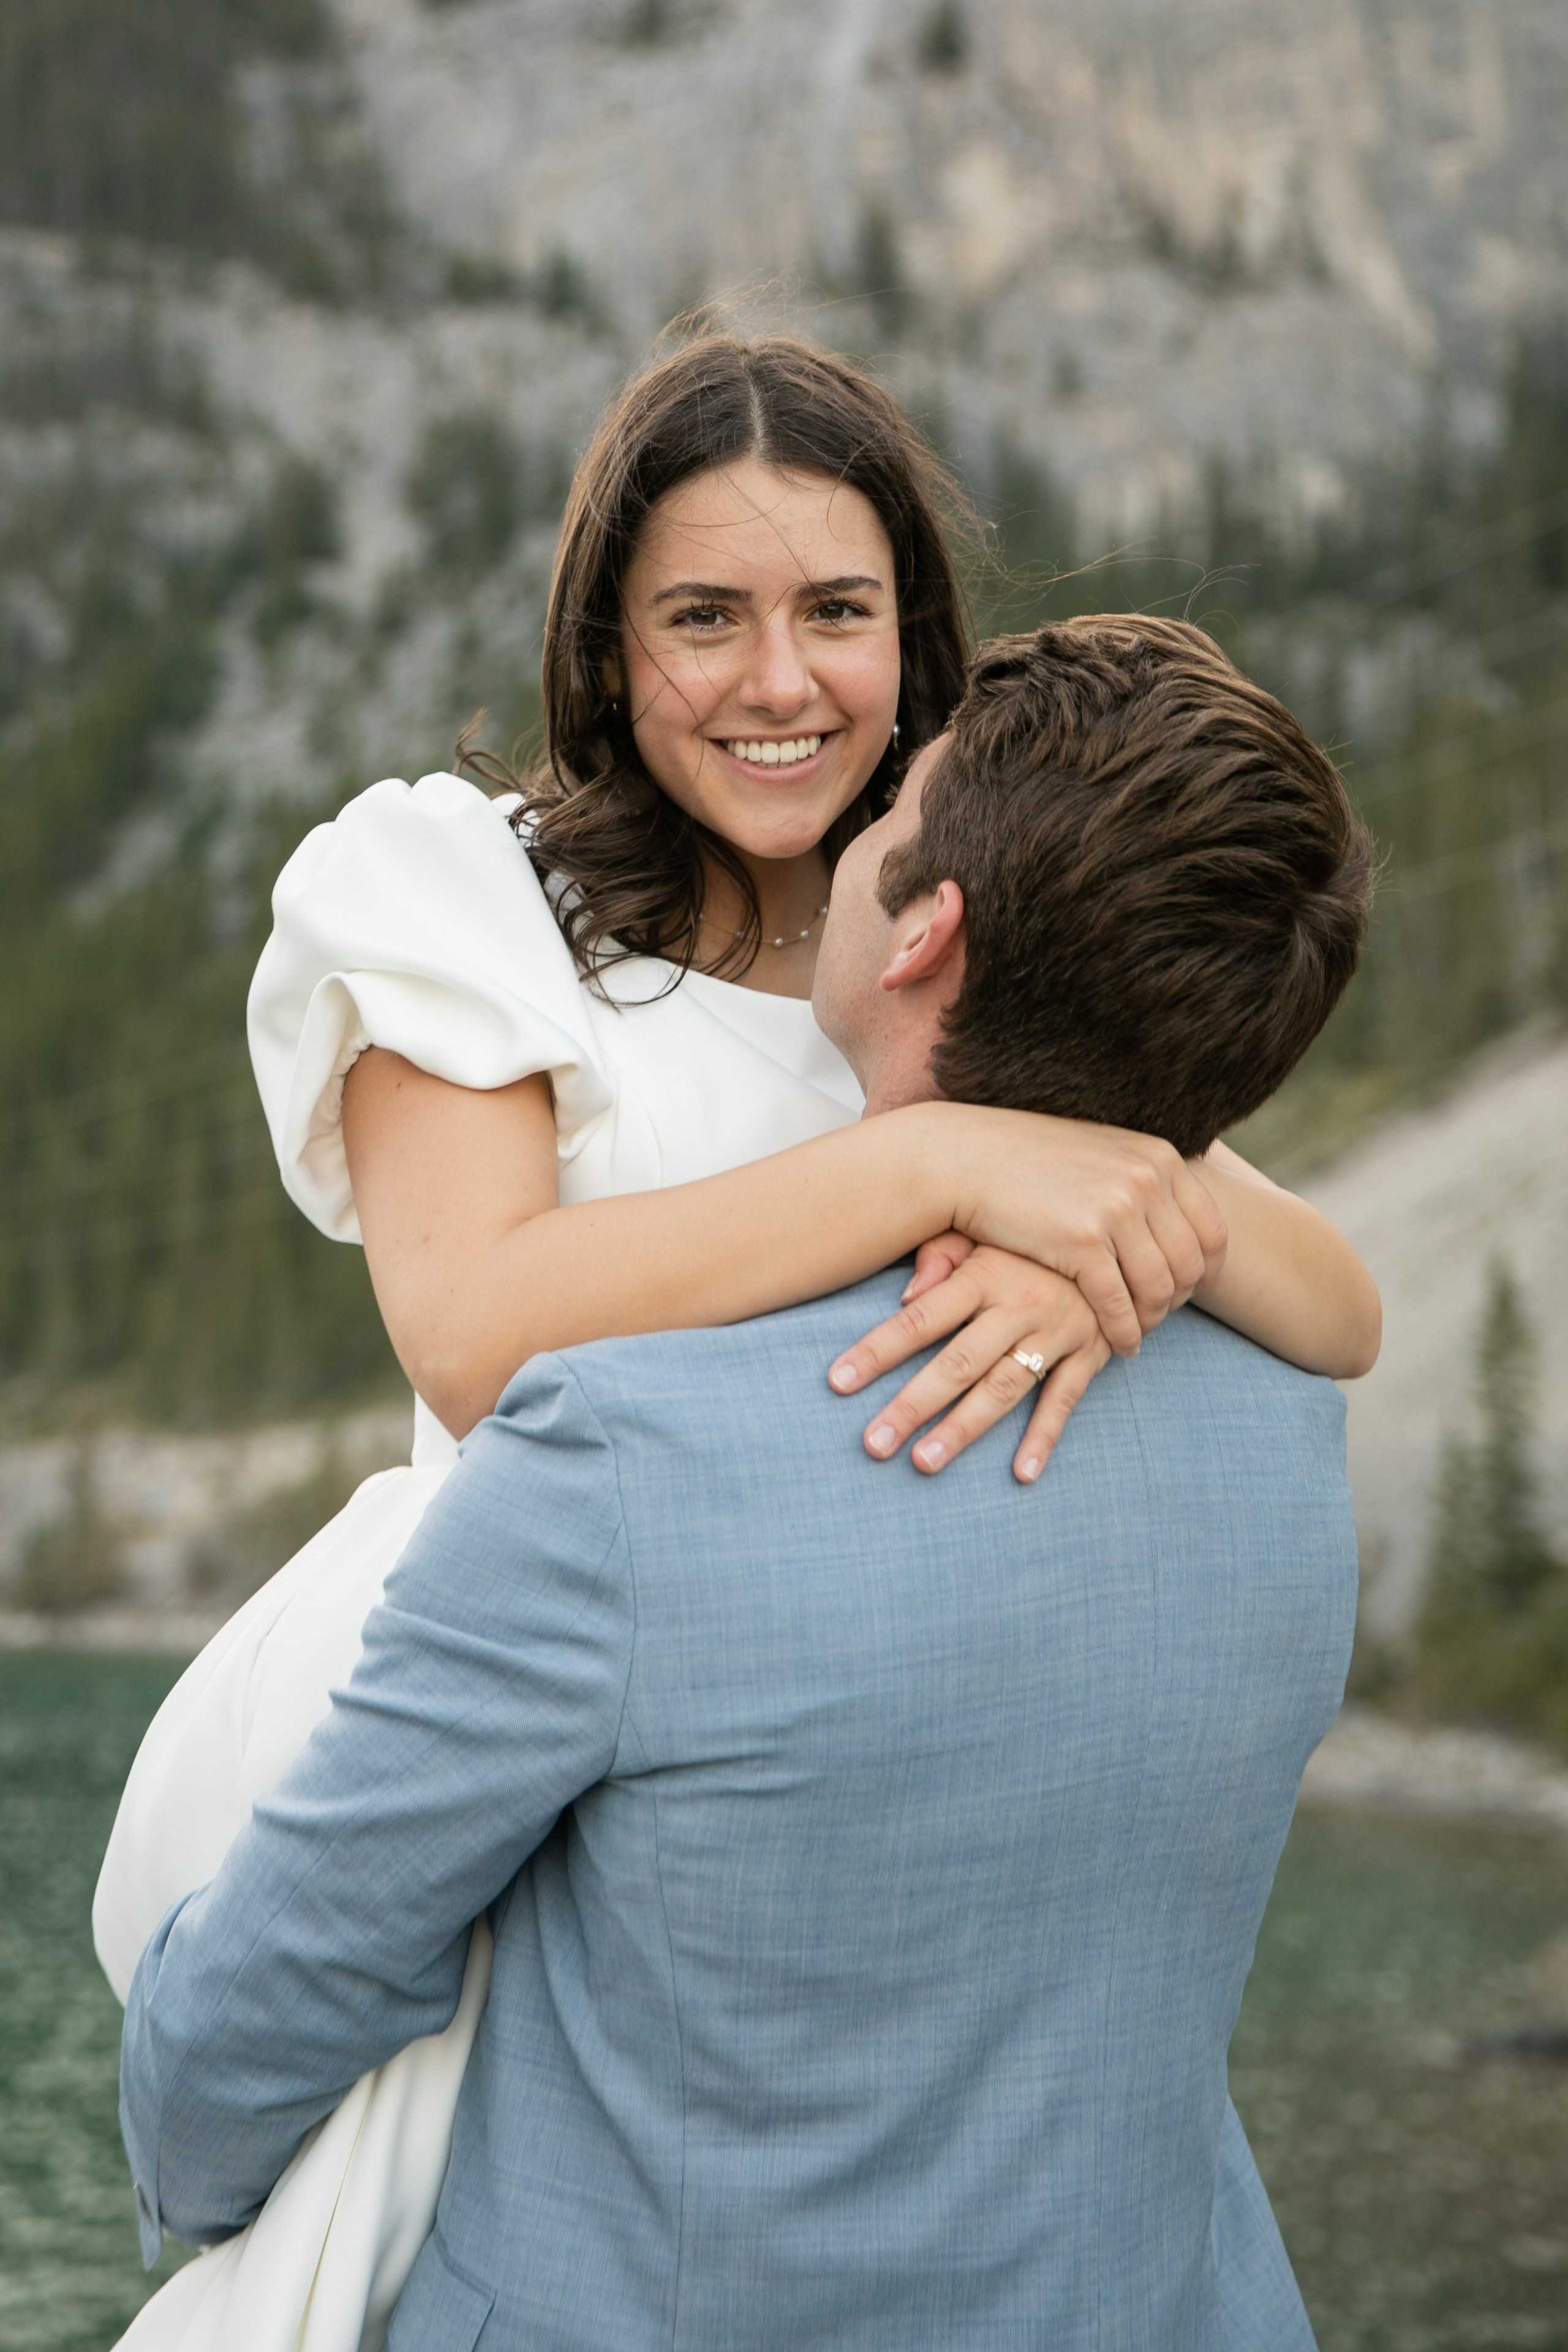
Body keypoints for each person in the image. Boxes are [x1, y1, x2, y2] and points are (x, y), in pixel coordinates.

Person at [97, 333, 1376, 2348]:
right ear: (608, 647)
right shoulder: (469, 902)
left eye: (840, 614)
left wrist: (1090, 1242)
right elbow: (475, 1334)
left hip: (851, 1813)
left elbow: (1336, 1301)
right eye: (705, 616)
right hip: (504, 1726)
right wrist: (944, 1164)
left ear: (916, 631)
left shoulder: (1017, 912)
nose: (782, 684)